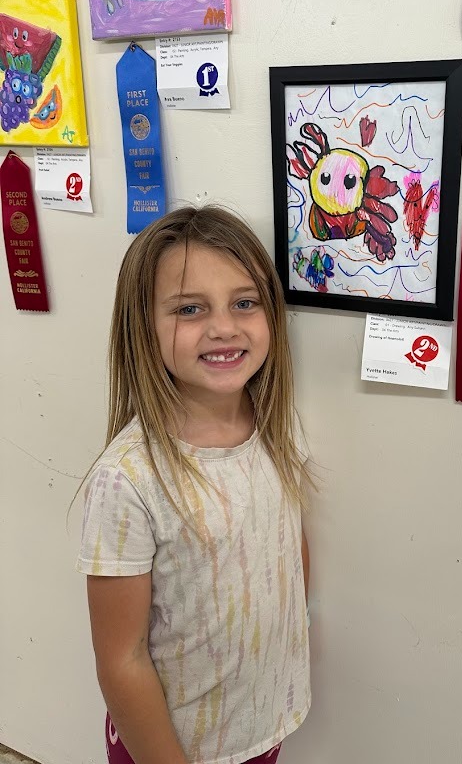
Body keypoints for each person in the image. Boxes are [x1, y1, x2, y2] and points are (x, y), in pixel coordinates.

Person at [76, 205, 313, 764]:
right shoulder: (127, 479)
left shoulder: (274, 426)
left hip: (261, 725)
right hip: (173, 747)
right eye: (189, 308)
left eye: (245, 302)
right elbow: (122, 658)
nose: (224, 327)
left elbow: (288, 545)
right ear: (143, 325)